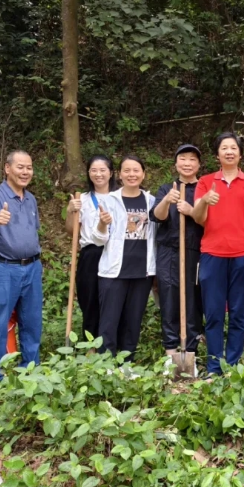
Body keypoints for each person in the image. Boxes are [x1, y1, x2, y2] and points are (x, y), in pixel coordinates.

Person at [193, 132, 244, 376]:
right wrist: (205, 200)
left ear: (240, 153)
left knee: (237, 311)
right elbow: (198, 218)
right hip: (212, 254)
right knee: (213, 313)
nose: (229, 151)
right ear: (217, 154)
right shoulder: (205, 182)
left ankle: (233, 365)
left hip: (243, 254)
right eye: (224, 147)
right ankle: (215, 366)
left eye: (233, 147)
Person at [0, 150, 43, 383]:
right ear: (7, 168)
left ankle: (30, 370)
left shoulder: (31, 199)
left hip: (32, 268)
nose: (25, 172)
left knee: (32, 320)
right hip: (4, 269)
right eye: (20, 167)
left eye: (29, 167)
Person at [93, 155, 157, 361]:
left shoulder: (151, 201)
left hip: (142, 271)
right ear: (119, 175)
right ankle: (105, 364)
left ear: (143, 174)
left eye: (136, 170)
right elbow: (98, 239)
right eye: (127, 170)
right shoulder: (109, 201)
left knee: (133, 321)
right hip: (114, 271)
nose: (132, 174)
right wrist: (103, 223)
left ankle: (126, 363)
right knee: (109, 321)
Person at [151, 144, 204, 365]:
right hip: (169, 251)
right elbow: (158, 216)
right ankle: (171, 349)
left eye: (192, 159)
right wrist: (167, 200)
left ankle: (190, 349)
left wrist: (190, 210)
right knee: (169, 298)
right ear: (176, 163)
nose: (187, 163)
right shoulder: (166, 188)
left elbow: (208, 218)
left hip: (195, 251)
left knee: (193, 300)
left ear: (199, 164)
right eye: (183, 159)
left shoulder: (204, 188)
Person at [65, 155, 117, 342]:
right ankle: (90, 344)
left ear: (111, 173)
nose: (98, 174)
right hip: (91, 254)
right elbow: (72, 231)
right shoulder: (83, 199)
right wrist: (71, 210)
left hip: (115, 254)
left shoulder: (119, 197)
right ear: (88, 173)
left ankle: (111, 343)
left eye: (103, 170)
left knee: (113, 300)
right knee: (89, 300)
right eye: (94, 170)